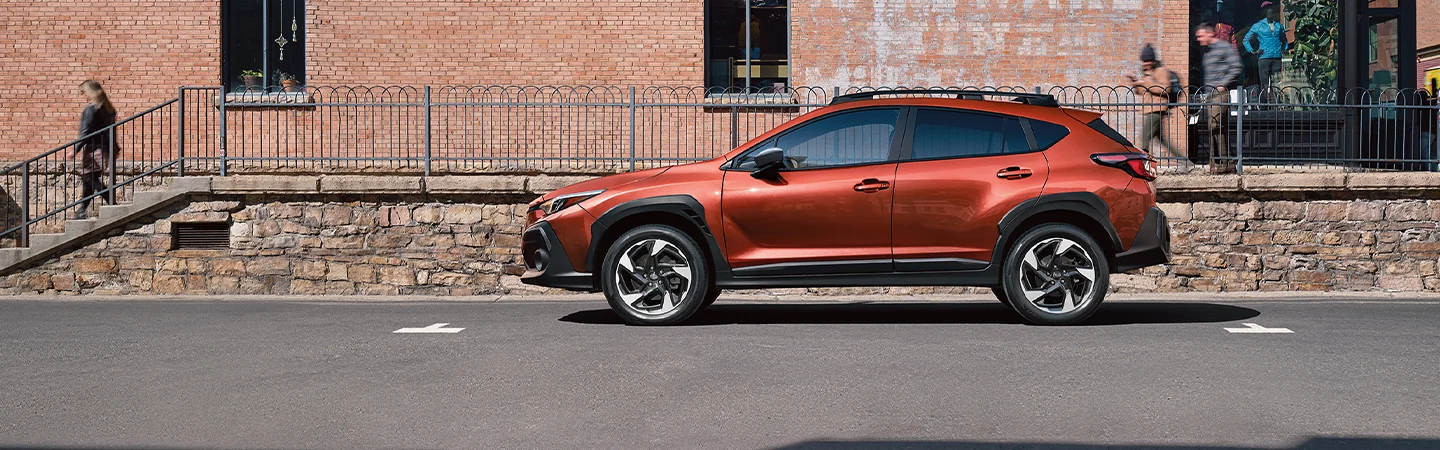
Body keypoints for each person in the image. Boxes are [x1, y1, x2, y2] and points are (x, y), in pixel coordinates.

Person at [1124, 44, 1185, 164]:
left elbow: (1165, 89)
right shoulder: (1147, 73)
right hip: (1149, 109)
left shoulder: (1161, 71)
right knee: (1162, 140)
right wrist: (1135, 82)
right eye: (1144, 61)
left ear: (1153, 60)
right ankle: (1184, 161)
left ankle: (1142, 165)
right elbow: (1141, 92)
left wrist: (1146, 82)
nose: (1146, 64)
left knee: (1143, 139)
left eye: (1148, 61)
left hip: (1157, 110)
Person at [1197, 24, 1241, 174]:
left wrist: (1223, 84)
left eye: (1201, 36)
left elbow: (1236, 67)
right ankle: (1221, 163)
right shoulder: (1207, 52)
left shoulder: (1224, 47)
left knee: (1215, 126)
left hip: (1220, 94)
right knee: (1215, 128)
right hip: (1210, 95)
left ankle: (1223, 161)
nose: (1199, 39)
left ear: (1210, 34)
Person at [73, 80, 117, 219]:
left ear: (90, 92)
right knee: (89, 179)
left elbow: (85, 133)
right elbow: (112, 132)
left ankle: (111, 200)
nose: (84, 95)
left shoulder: (90, 110)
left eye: (84, 92)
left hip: (93, 150)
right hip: (104, 149)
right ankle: (82, 210)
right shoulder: (108, 110)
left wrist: (74, 150)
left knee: (90, 178)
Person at [1244, 2, 1290, 91]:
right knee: (1264, 85)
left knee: (1276, 84)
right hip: (1264, 57)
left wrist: (1284, 49)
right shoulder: (1258, 26)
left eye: (1270, 8)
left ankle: (1276, 104)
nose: (1269, 10)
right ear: (1263, 11)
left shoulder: (1279, 26)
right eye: (1266, 8)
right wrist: (1252, 50)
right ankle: (1264, 104)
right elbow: (1246, 40)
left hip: (1276, 57)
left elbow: (1284, 40)